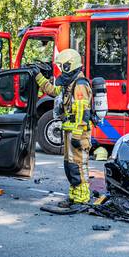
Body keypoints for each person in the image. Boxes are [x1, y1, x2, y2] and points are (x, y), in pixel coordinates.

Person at [34, 49, 93, 211]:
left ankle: (82, 198)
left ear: (69, 66)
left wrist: (77, 134)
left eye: (62, 67)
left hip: (78, 132)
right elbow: (52, 91)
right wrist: (38, 76)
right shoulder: (69, 84)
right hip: (70, 130)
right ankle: (75, 196)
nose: (60, 70)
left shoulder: (80, 85)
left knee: (78, 165)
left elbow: (83, 113)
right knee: (69, 165)